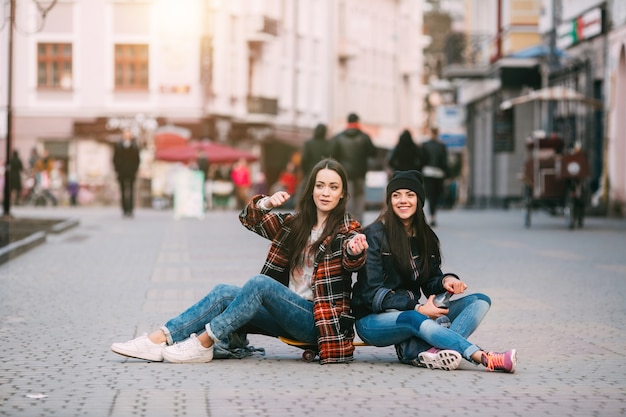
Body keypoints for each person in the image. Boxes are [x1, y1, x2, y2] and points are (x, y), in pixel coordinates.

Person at [111, 158, 368, 364]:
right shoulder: (295, 224)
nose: (325, 192)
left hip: (317, 324)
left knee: (260, 284)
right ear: (311, 189)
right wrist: (266, 202)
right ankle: (158, 339)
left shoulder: (347, 231)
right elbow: (249, 219)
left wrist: (355, 251)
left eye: (333, 187)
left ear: (343, 194)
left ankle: (203, 343)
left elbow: (351, 257)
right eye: (320, 185)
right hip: (285, 315)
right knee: (224, 292)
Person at [351, 170, 517, 373]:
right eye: (396, 195)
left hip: (415, 313)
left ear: (419, 200)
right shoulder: (374, 235)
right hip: (372, 320)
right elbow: (372, 295)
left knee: (479, 301)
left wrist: (447, 281)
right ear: (389, 200)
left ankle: (426, 352)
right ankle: (484, 357)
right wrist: (417, 308)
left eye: (410, 195)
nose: (403, 201)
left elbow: (431, 280)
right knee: (415, 318)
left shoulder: (425, 237)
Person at [329, 113, 377, 223]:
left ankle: (348, 221)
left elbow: (332, 155)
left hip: (345, 173)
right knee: (359, 198)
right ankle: (359, 221)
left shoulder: (339, 137)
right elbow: (373, 152)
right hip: (361, 172)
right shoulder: (364, 137)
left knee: (347, 197)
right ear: (357, 121)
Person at [421, 127, 449, 227]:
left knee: (430, 195)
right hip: (439, 173)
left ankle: (432, 216)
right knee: (436, 195)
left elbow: (422, 159)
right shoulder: (441, 146)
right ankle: (433, 215)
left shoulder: (425, 145)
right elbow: (444, 161)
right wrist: (447, 174)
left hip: (427, 172)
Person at [113, 129, 140, 217]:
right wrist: (117, 170)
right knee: (123, 190)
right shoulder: (119, 146)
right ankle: (124, 209)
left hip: (131, 172)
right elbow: (115, 159)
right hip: (121, 172)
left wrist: (135, 170)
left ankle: (130, 209)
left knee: (131, 190)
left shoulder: (134, 146)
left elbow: (137, 160)